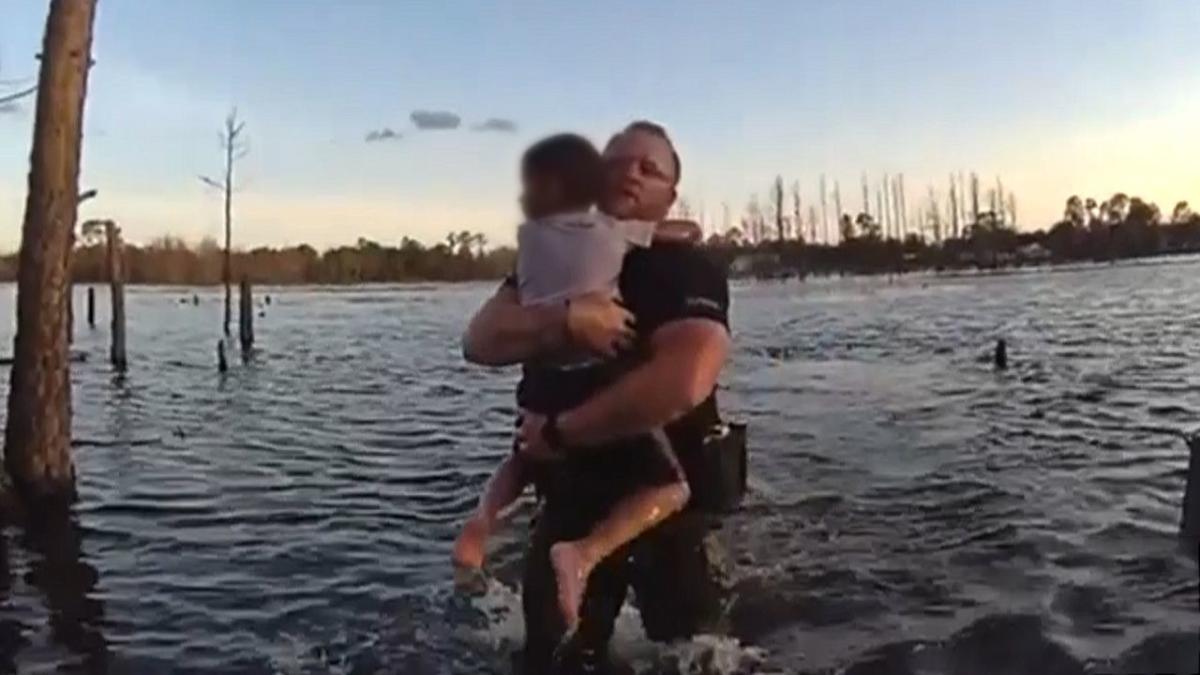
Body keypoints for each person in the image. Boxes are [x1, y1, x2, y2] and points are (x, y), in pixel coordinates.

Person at [462, 121, 732, 673]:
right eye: (616, 162)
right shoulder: (554, 256)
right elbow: (480, 339)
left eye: (648, 168)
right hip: (569, 490)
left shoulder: (686, 267)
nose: (630, 172)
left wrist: (561, 432)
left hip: (656, 501)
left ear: (668, 195)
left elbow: (687, 377)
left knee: (695, 655)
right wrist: (564, 320)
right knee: (551, 656)